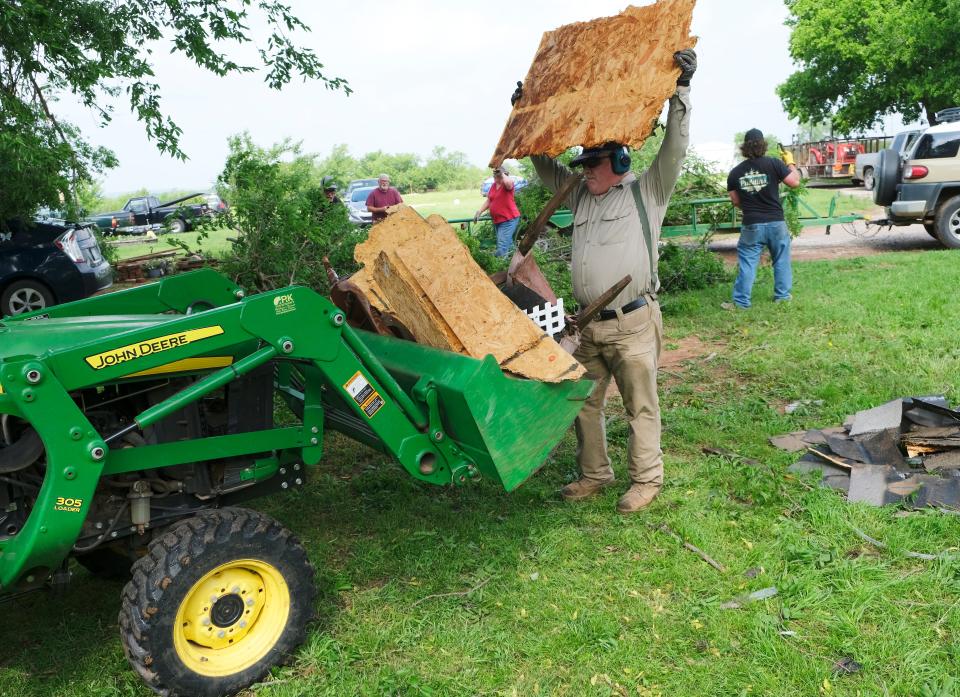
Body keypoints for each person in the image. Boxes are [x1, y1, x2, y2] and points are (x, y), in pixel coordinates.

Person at [521, 48, 697, 514]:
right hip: (588, 324)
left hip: (633, 321)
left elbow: (674, 148)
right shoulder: (581, 197)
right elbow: (545, 168)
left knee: (640, 406)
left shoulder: (648, 191)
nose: (585, 173)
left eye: (593, 165)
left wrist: (681, 91)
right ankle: (595, 474)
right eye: (583, 167)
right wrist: (525, 117)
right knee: (584, 402)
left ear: (619, 162)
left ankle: (646, 481)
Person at [724, 129, 801, 309]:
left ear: (744, 147)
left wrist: (752, 208)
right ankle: (782, 297)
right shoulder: (774, 164)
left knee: (748, 263)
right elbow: (795, 182)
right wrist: (790, 162)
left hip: (752, 224)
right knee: (781, 259)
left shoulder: (735, 172)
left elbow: (735, 201)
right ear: (763, 145)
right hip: (776, 223)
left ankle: (741, 302)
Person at [474, 165, 521, 256]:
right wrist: (479, 211)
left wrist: (502, 173)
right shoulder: (493, 186)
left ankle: (500, 266)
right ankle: (517, 262)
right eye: (494, 174)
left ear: (503, 175)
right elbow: (489, 200)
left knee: (502, 246)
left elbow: (509, 183)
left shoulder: (507, 184)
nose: (495, 176)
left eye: (497, 174)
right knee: (508, 244)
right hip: (498, 220)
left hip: (509, 219)